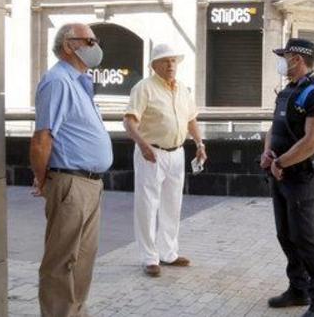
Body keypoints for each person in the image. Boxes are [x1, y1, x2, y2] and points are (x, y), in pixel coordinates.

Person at [30, 23, 113, 317]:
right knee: (61, 262)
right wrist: (44, 180)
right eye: (90, 41)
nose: (96, 46)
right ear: (69, 45)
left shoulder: (79, 81)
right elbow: (42, 138)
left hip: (89, 184)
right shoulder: (58, 81)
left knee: (82, 261)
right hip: (70, 182)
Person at [260, 38, 314, 317]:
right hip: (279, 172)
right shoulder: (288, 91)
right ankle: (298, 289)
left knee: (305, 237)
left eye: (285, 56)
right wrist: (268, 154)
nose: (281, 60)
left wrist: (280, 161)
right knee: (286, 234)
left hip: (301, 175)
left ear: (298, 59)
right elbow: (274, 128)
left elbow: (313, 141)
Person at [123, 43, 207, 277]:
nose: (171, 65)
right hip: (151, 153)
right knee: (147, 205)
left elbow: (191, 119)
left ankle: (168, 253)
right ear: (154, 65)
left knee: (172, 204)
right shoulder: (144, 88)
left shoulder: (182, 89)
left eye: (173, 61)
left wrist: (200, 144)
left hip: (177, 153)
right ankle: (149, 257)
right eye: (165, 61)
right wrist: (143, 145)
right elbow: (129, 121)